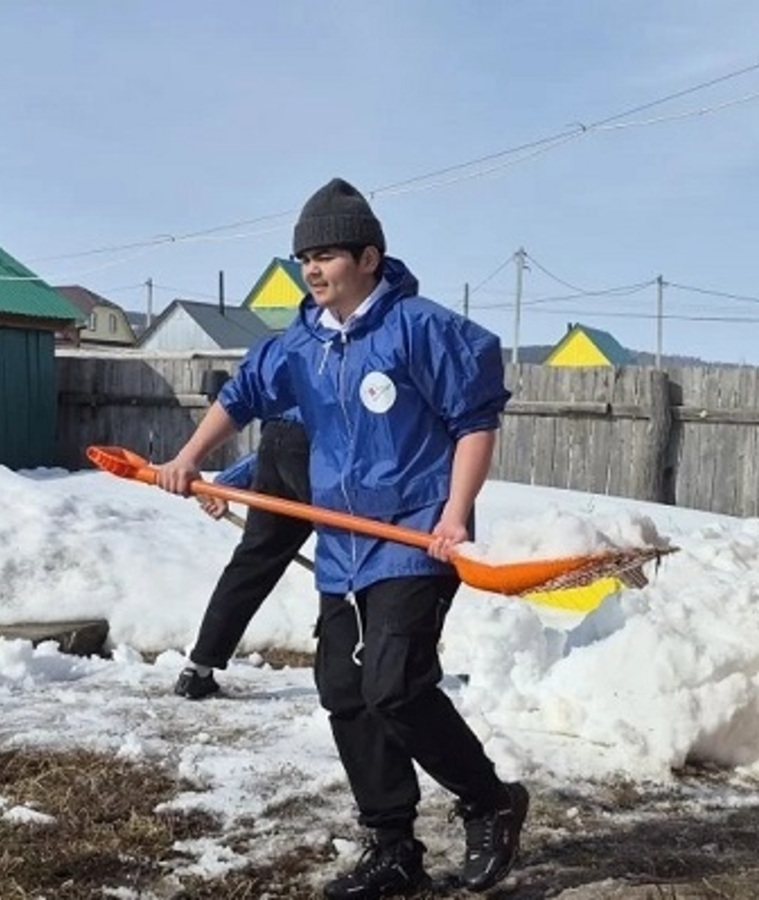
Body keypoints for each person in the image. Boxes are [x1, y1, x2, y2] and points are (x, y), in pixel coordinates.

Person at [153, 177, 528, 898]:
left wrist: (455, 515)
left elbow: (474, 422)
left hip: (414, 536)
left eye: (325, 256)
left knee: (395, 687)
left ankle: (489, 801)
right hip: (343, 549)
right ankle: (393, 849)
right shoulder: (301, 344)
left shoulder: (419, 328)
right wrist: (191, 460)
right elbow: (242, 397)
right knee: (345, 691)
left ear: (369, 258)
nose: (312, 271)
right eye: (304, 259)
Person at [174, 410, 312, 700]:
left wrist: (227, 482)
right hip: (323, 444)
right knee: (353, 558)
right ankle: (352, 675)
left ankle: (199, 669)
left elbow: (286, 436)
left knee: (254, 561)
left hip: (276, 438)